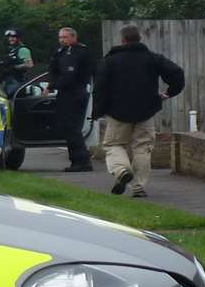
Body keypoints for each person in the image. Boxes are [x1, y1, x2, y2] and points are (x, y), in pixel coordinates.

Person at [92, 24, 186, 198]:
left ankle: (121, 171)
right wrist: (168, 93)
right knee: (142, 148)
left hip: (117, 111)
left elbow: (100, 88)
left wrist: (98, 111)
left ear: (123, 40)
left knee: (114, 144)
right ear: (139, 38)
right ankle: (138, 187)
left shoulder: (110, 61)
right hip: (146, 110)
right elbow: (177, 73)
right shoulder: (152, 58)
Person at [46, 26, 94, 173]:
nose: (62, 40)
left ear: (74, 37)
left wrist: (52, 85)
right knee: (70, 128)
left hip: (73, 93)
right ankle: (77, 160)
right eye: (60, 37)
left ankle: (81, 161)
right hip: (69, 92)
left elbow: (68, 75)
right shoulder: (62, 51)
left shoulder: (75, 51)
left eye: (65, 37)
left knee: (72, 128)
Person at [0, 28, 35, 94]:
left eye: (13, 37)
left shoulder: (23, 49)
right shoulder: (10, 50)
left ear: (18, 38)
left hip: (17, 82)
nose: (10, 39)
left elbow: (29, 64)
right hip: (7, 81)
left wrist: (14, 67)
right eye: (9, 37)